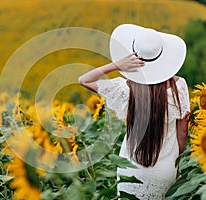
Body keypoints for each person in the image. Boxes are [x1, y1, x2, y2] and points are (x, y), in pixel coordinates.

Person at [78, 24, 190, 199]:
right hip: (165, 170)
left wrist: (117, 65)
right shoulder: (178, 87)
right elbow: (183, 131)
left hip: (130, 169)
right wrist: (178, 162)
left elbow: (84, 80)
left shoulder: (125, 90)